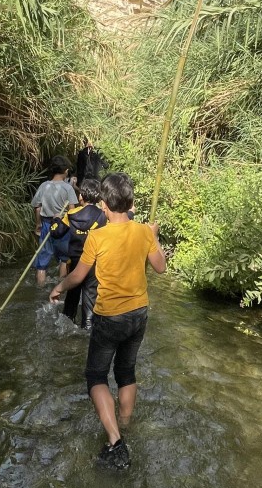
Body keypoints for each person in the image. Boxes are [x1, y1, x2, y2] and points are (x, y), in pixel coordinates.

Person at [50, 172, 166, 469]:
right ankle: (125, 425)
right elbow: (161, 268)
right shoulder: (142, 232)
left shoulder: (98, 236)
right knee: (126, 372)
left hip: (109, 316)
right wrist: (153, 236)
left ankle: (115, 440)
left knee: (96, 376)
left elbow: (78, 275)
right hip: (139, 314)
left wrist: (59, 287)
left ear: (103, 204)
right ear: (131, 203)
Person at [51, 178, 106, 328]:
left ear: (81, 196)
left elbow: (56, 233)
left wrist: (55, 220)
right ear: (99, 197)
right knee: (90, 297)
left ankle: (66, 325)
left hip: (75, 262)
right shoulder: (103, 215)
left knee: (72, 296)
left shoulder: (71, 214)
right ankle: (88, 329)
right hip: (93, 264)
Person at [31, 156, 78, 287]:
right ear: (66, 171)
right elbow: (72, 211)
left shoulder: (43, 186)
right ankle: (60, 288)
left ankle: (40, 288)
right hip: (62, 227)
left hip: (46, 225)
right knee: (64, 258)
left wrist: (38, 224)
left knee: (42, 261)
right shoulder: (68, 188)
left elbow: (37, 207)